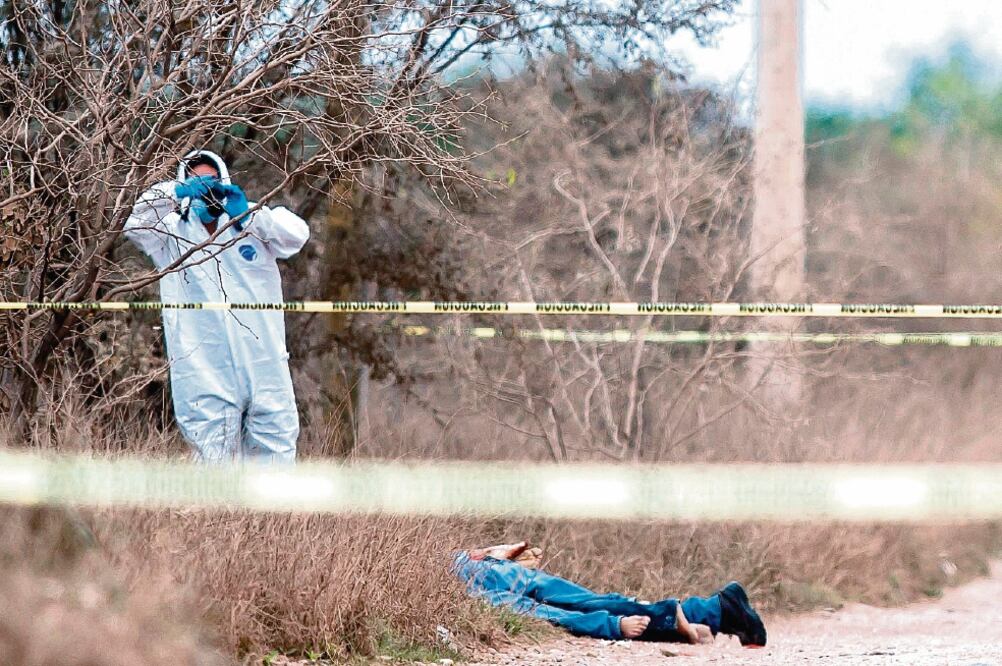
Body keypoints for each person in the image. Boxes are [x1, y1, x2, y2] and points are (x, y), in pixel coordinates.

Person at [124, 150, 310, 462]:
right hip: (203, 363)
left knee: (275, 439)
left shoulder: (251, 221)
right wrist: (175, 193)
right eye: (195, 182)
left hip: (261, 355)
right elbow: (135, 223)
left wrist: (251, 217)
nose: (205, 189)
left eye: (211, 181)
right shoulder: (170, 233)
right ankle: (219, 513)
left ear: (224, 182)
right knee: (211, 448)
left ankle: (272, 513)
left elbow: (296, 236)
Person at [452, 542, 767, 646]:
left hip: (471, 576)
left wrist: (614, 628)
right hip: (473, 567)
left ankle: (682, 614)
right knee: (586, 601)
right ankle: (718, 610)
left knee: (560, 610)